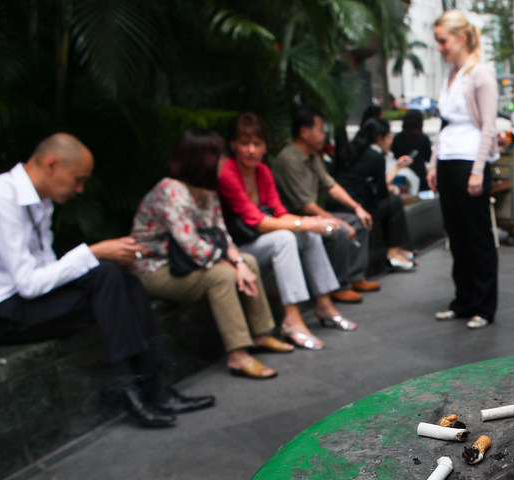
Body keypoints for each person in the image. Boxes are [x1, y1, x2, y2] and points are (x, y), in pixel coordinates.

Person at [0, 133, 213, 428]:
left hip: (28, 302)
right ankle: (132, 385)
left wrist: (107, 255)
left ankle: (150, 386)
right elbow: (28, 283)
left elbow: (47, 270)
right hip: (3, 314)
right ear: (51, 164)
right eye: (77, 179)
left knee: (124, 282)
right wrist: (93, 252)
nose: (80, 189)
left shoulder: (39, 202)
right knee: (105, 272)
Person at [130, 130, 292, 380]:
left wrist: (238, 262)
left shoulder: (207, 191)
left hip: (188, 262)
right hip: (156, 268)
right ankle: (238, 354)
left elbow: (221, 234)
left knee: (247, 261)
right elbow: (192, 246)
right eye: (219, 157)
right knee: (220, 276)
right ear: (201, 160)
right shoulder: (171, 191)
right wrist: (232, 268)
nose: (225, 163)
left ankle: (261, 334)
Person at [217, 112, 357, 350]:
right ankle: (291, 319)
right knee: (286, 237)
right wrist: (307, 223)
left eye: (257, 144)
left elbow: (279, 212)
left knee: (308, 233)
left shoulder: (262, 171)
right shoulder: (228, 173)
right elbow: (257, 221)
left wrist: (315, 223)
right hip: (235, 249)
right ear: (233, 145)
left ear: (265, 147)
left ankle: (324, 304)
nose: (251, 150)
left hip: (260, 239)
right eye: (244, 143)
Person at [427, 9, 499, 329]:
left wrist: (478, 170)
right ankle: (463, 300)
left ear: (460, 38)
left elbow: (488, 126)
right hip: (447, 162)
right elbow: (444, 126)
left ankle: (483, 306)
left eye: (442, 41)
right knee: (456, 237)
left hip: (470, 162)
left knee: (477, 237)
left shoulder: (480, 73)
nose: (440, 47)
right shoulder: (450, 76)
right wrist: (432, 163)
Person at [272, 106, 380, 304]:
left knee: (359, 221)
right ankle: (339, 286)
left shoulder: (312, 156)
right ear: (305, 132)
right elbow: (305, 205)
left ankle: (356, 277)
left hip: (311, 215)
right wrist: (336, 220)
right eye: (320, 130)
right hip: (295, 219)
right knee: (337, 228)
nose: (324, 135)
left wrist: (356, 207)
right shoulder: (289, 159)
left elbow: (330, 185)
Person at [338, 118, 417, 272]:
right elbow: (381, 191)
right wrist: (394, 176)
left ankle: (396, 250)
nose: (391, 140)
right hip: (357, 206)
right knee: (394, 202)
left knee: (390, 200)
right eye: (389, 136)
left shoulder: (354, 150)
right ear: (380, 138)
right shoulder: (375, 156)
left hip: (347, 201)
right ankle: (393, 251)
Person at [392, 109, 433, 192]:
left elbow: (395, 155)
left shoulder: (397, 138)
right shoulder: (423, 138)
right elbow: (428, 157)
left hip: (401, 174)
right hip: (419, 175)